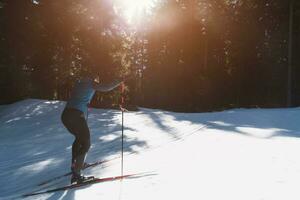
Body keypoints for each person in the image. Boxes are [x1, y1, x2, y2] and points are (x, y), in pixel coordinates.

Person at [61, 73, 122, 184]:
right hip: (76, 115)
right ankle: (77, 175)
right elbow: (106, 87)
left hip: (65, 115)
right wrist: (119, 80)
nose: (97, 81)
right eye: (97, 79)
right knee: (86, 143)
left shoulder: (79, 83)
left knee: (79, 139)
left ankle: (75, 165)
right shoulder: (90, 83)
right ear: (93, 77)